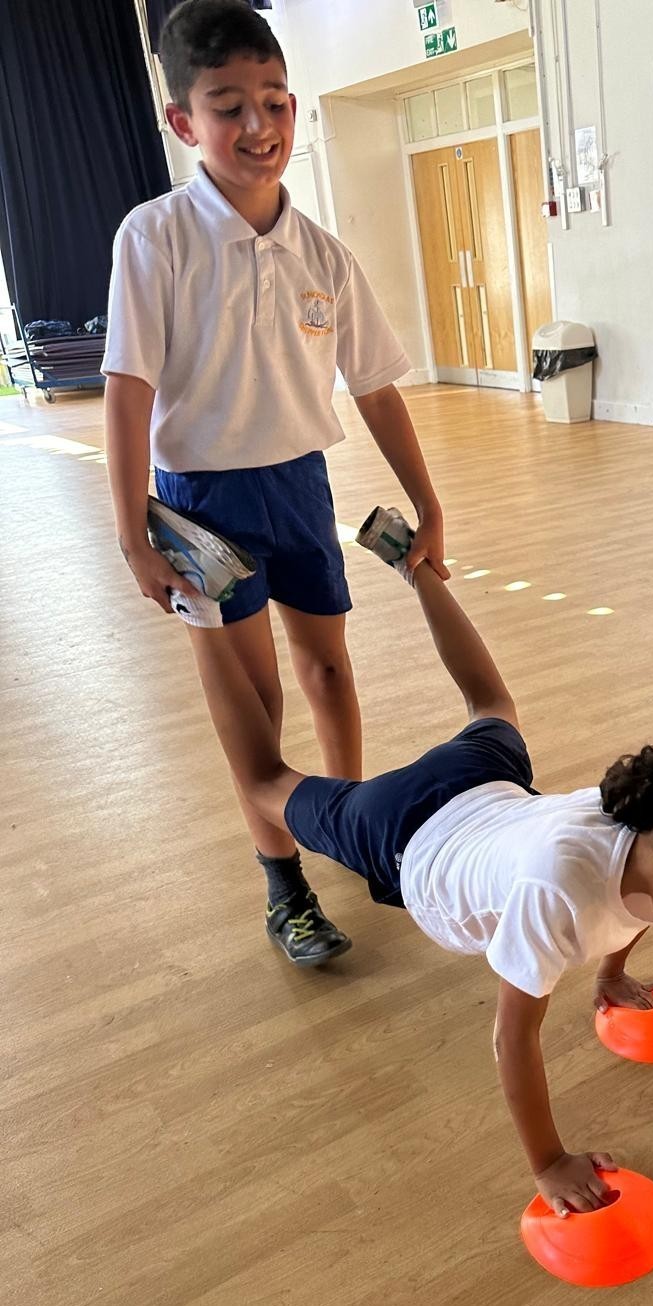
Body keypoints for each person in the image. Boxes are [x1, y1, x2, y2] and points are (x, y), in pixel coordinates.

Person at [193, 504, 653, 1217]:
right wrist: (549, 1162)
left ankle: (412, 560)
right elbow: (512, 1038)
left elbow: (637, 908)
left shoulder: (652, 821)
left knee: (490, 701)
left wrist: (611, 976)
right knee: (264, 780)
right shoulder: (557, 896)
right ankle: (199, 607)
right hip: (402, 835)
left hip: (483, 777)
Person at [102, 0, 448, 965]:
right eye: (228, 107)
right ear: (184, 122)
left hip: (299, 485)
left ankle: (353, 828)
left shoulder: (323, 253)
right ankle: (284, 883)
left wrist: (428, 503)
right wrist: (131, 533)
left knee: (329, 670)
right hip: (201, 503)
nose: (259, 126)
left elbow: (374, 387)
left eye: (276, 101)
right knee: (257, 706)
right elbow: (127, 392)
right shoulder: (155, 237)